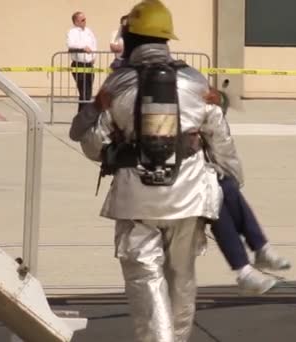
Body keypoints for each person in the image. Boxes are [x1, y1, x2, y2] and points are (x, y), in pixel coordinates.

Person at [68, 1, 242, 340]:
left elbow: (91, 142)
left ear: (131, 38)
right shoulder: (195, 81)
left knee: (146, 281)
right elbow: (220, 137)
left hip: (136, 201)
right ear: (166, 40)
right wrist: (233, 182)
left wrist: (114, 153)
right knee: (181, 279)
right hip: (189, 197)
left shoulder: (117, 84)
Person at [203, 89, 292, 295]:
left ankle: (257, 252)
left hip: (193, 171)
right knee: (216, 197)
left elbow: (220, 147)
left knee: (226, 188)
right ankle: (247, 265)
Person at [66, 11, 97, 113]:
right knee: (84, 93)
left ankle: (82, 115)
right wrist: (83, 48)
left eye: (85, 19)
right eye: (82, 20)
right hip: (78, 64)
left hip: (89, 64)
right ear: (76, 21)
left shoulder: (89, 31)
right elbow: (71, 44)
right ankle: (82, 116)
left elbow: (94, 43)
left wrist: (94, 56)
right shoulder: (72, 32)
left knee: (88, 93)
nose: (85, 21)